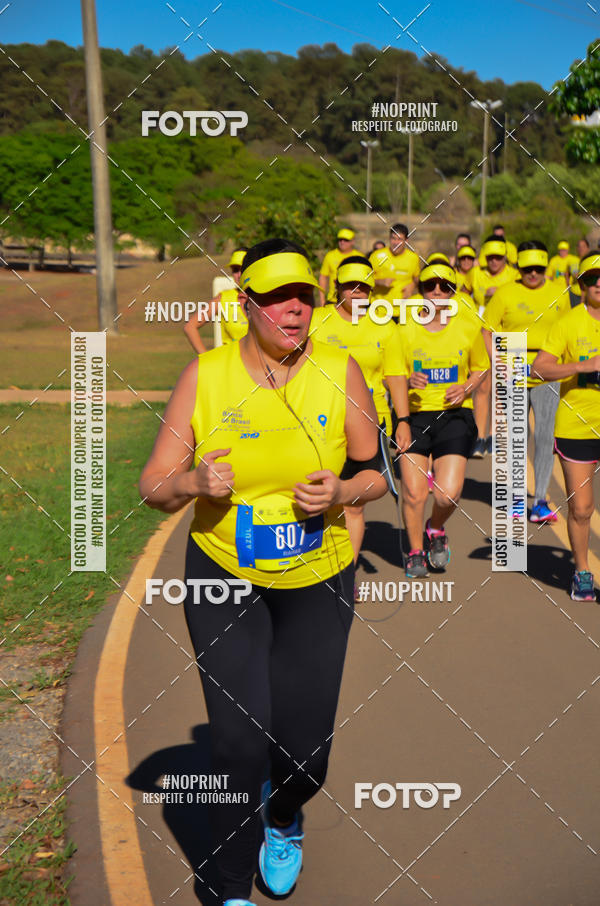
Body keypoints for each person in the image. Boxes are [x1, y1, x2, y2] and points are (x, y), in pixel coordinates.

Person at [139, 238, 388, 906]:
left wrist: (341, 493)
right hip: (225, 577)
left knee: (305, 758)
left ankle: (283, 816)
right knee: (238, 745)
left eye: (304, 296)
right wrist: (192, 478)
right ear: (244, 303)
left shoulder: (341, 372)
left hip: (318, 579)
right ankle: (226, 888)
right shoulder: (207, 376)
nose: (294, 308)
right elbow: (153, 484)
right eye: (277, 296)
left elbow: (376, 474)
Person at [310, 255, 409, 566]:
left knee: (352, 502)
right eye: (349, 287)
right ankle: (313, 567)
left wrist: (403, 420)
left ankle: (346, 574)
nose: (356, 294)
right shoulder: (316, 320)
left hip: (369, 423)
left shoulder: (385, 327)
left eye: (363, 288)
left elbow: (395, 375)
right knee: (316, 498)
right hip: (318, 420)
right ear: (337, 288)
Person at [395, 262, 489, 577]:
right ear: (420, 290)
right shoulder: (404, 328)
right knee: (413, 491)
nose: (437, 292)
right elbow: (391, 376)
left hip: (454, 416)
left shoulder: (466, 326)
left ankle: (435, 528)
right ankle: (416, 551)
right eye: (430, 286)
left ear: (453, 292)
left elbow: (480, 368)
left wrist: (467, 386)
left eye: (444, 287)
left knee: (447, 493)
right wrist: (408, 384)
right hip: (414, 416)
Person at [483, 240, 570, 520]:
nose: (533, 273)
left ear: (546, 266)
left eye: (538, 268)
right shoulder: (505, 294)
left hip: (547, 370)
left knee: (545, 438)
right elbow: (487, 330)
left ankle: (540, 500)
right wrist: (497, 363)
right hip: (513, 366)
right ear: (518, 267)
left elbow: (567, 332)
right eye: (527, 268)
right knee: (516, 438)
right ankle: (516, 499)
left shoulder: (560, 293)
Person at [532, 251, 600, 601]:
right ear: (582, 285)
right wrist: (583, 366)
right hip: (577, 425)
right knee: (582, 508)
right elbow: (540, 369)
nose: (599, 283)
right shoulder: (567, 322)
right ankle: (582, 572)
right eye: (592, 279)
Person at [184, 248, 248, 353]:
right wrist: (206, 359)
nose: (239, 274)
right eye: (235, 270)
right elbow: (190, 326)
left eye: (243, 268)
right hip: (231, 365)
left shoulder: (265, 296)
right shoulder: (224, 298)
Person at [370, 223, 421, 302]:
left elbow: (417, 279)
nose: (396, 243)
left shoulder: (413, 258)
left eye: (400, 239)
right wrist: (379, 282)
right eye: (393, 238)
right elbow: (364, 279)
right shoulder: (376, 256)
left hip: (402, 309)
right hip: (379, 309)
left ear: (406, 241)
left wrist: (413, 285)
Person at [319, 228, 357, 305]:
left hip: (353, 301)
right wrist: (322, 300)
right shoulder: (330, 256)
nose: (342, 242)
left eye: (346, 240)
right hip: (333, 300)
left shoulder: (359, 257)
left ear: (353, 242)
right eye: (340, 239)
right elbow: (323, 277)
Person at [568, 238, 591, 307]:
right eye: (579, 246)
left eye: (583, 246)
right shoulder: (572, 260)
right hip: (573, 294)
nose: (581, 248)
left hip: (588, 296)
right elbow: (568, 273)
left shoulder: (591, 261)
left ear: (588, 248)